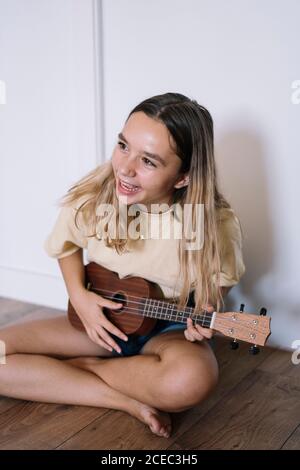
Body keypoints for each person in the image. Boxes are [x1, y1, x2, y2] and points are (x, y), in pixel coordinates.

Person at [0, 92, 245, 439]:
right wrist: (80, 298)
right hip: (103, 322)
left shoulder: (212, 223)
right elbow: (66, 245)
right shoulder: (98, 194)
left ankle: (74, 373)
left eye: (149, 161)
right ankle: (121, 397)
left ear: (183, 177)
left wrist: (207, 309)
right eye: (123, 145)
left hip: (165, 331)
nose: (125, 168)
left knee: (192, 379)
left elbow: (221, 280)